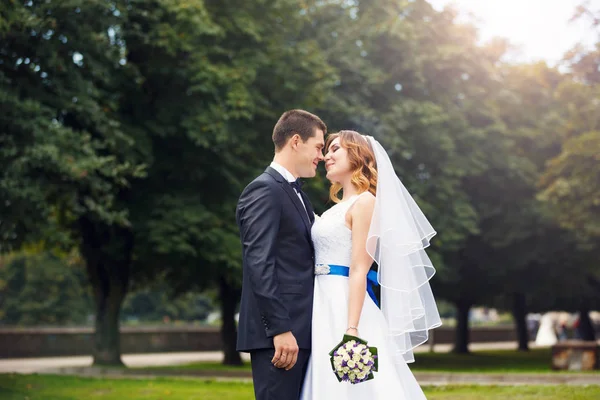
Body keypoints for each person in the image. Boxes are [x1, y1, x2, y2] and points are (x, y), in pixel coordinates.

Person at [301, 130, 441, 399]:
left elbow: (359, 269)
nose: (326, 156)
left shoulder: (365, 202)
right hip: (322, 299)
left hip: (344, 304)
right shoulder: (335, 209)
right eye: (327, 150)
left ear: (356, 156)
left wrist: (352, 328)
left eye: (335, 150)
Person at [236, 109, 326, 400]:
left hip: (302, 329)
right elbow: (259, 262)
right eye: (319, 147)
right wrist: (280, 329)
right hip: (281, 336)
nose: (322, 156)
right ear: (296, 141)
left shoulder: (296, 192)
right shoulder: (264, 190)